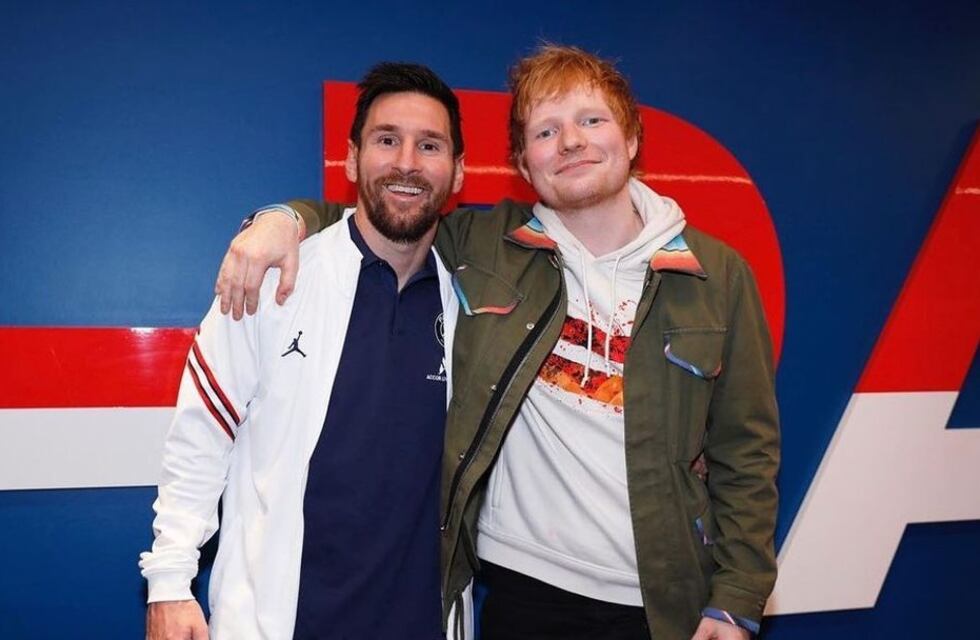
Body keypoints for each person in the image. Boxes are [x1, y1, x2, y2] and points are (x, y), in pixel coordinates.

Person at [219, 45, 779, 640]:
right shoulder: (484, 244)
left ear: (633, 138)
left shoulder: (716, 276)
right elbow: (376, 215)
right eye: (547, 130)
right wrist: (282, 218)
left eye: (592, 121)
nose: (571, 142)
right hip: (519, 592)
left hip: (662, 600)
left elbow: (746, 451)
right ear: (522, 161)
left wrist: (737, 597)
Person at [140, 62, 469, 640]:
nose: (407, 163)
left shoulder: (475, 299)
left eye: (430, 145)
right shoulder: (270, 280)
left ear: (459, 172)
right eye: (386, 139)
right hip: (280, 620)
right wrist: (169, 581)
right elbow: (200, 435)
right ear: (350, 159)